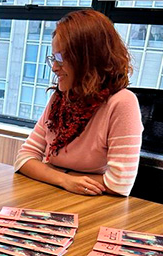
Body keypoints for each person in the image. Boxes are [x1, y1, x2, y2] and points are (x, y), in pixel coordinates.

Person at [14, 10, 143, 196]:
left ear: (88, 59)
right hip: (56, 195)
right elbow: (24, 159)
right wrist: (65, 180)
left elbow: (119, 183)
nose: (55, 68)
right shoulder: (60, 98)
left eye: (61, 58)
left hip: (96, 203)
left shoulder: (122, 103)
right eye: (53, 57)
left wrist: (50, 172)